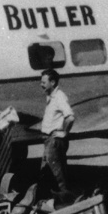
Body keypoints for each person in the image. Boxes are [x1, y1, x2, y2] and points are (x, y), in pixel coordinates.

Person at [38, 68, 74, 197]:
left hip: (54, 140)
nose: (41, 85)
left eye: (43, 82)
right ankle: (52, 196)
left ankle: (66, 198)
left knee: (57, 173)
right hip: (49, 140)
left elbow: (70, 117)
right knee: (48, 170)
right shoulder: (51, 97)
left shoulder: (59, 97)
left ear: (52, 82)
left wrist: (64, 132)